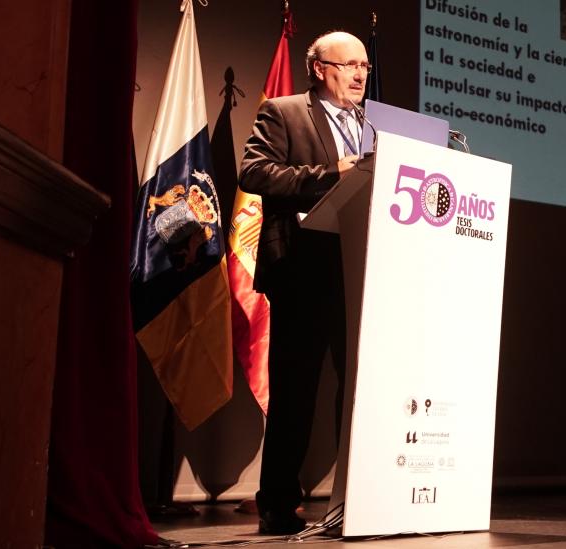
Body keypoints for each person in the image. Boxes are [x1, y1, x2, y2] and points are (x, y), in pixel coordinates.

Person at [237, 31, 371, 535]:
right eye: (348, 64)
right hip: (302, 267)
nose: (359, 74)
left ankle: (359, 492)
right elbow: (253, 171)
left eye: (364, 66)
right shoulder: (286, 111)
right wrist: (328, 172)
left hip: (359, 267)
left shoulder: (375, 126)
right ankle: (276, 501)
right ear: (319, 68)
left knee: (359, 389)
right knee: (296, 390)